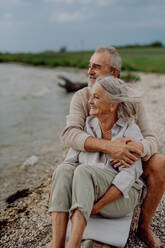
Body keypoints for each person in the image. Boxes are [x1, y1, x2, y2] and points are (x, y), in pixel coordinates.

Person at [61, 47, 165, 248]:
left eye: (97, 67)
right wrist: (110, 147)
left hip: (124, 163)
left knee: (160, 162)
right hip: (91, 162)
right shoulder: (81, 97)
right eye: (89, 66)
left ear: (115, 73)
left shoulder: (131, 100)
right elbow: (69, 134)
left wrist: (133, 148)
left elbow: (152, 139)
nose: (90, 71)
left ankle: (144, 227)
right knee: (64, 171)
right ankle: (62, 236)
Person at [46, 76, 146, 248]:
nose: (90, 101)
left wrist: (97, 207)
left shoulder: (130, 131)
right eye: (91, 96)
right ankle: (57, 243)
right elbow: (70, 161)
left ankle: (73, 245)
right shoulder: (88, 125)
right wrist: (57, 186)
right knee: (63, 169)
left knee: (83, 171)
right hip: (89, 191)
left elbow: (127, 178)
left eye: (96, 97)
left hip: (121, 197)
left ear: (113, 105)